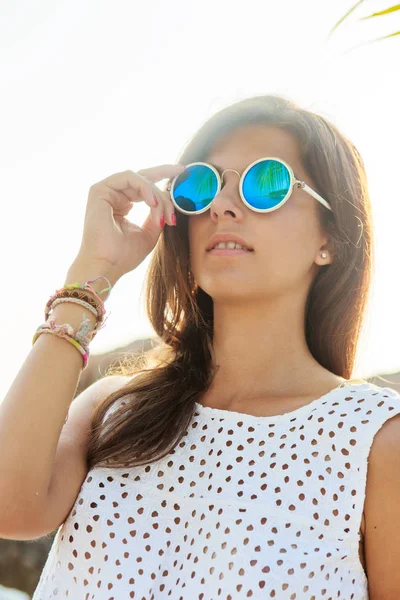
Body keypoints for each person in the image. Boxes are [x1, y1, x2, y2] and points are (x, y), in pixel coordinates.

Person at [1, 94, 399, 599]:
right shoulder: (115, 409)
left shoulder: (374, 440)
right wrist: (91, 273)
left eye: (267, 182)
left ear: (332, 239)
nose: (223, 206)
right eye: (201, 186)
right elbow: (8, 505)